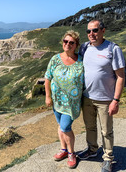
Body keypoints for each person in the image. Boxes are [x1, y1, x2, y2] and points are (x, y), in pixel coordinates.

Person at [78, 20, 125, 172]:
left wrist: (115, 100)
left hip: (105, 99)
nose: (91, 34)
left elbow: (121, 77)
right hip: (87, 97)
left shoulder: (113, 48)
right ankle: (92, 150)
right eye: (88, 31)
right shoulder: (84, 48)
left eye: (95, 30)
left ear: (103, 30)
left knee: (106, 131)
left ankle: (108, 159)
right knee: (90, 127)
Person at [45, 30, 84, 169]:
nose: (67, 44)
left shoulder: (81, 61)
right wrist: (48, 96)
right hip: (57, 102)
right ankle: (63, 149)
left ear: (76, 45)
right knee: (60, 125)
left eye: (71, 42)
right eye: (65, 41)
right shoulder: (55, 59)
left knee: (65, 127)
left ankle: (72, 153)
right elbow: (47, 78)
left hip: (72, 103)